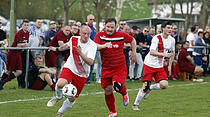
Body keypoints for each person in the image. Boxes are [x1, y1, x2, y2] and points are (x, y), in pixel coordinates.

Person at [46, 25, 97, 117]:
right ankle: (58, 97)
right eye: (84, 33)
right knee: (60, 84)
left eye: (88, 34)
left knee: (72, 98)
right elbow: (66, 46)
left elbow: (90, 62)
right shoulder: (73, 39)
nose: (86, 36)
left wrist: (80, 53)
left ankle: (60, 112)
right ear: (80, 33)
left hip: (82, 74)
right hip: (70, 67)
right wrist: (56, 48)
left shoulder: (92, 45)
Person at [94, 18, 136, 117]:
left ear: (115, 27)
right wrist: (104, 46)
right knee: (108, 90)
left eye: (112, 27)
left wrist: (133, 53)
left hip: (119, 67)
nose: (109, 29)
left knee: (117, 86)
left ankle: (124, 93)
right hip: (106, 68)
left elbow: (132, 40)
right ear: (104, 26)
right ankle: (113, 112)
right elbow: (94, 46)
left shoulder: (121, 35)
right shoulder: (100, 35)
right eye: (108, 27)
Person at [132, 21, 175, 111]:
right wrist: (164, 55)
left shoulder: (172, 40)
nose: (170, 30)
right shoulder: (156, 38)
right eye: (168, 28)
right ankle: (135, 105)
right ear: (163, 28)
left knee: (164, 85)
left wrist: (170, 65)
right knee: (145, 86)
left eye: (171, 28)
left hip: (159, 66)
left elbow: (172, 53)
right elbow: (151, 52)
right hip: (149, 64)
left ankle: (150, 88)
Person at [0, 19, 29, 90]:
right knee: (8, 71)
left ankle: (2, 82)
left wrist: (25, 44)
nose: (26, 26)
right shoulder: (19, 33)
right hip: (13, 53)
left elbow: (26, 43)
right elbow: (19, 45)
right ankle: (1, 83)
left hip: (18, 54)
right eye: (25, 25)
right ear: (22, 25)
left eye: (27, 25)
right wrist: (25, 44)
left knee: (19, 72)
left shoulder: (27, 33)